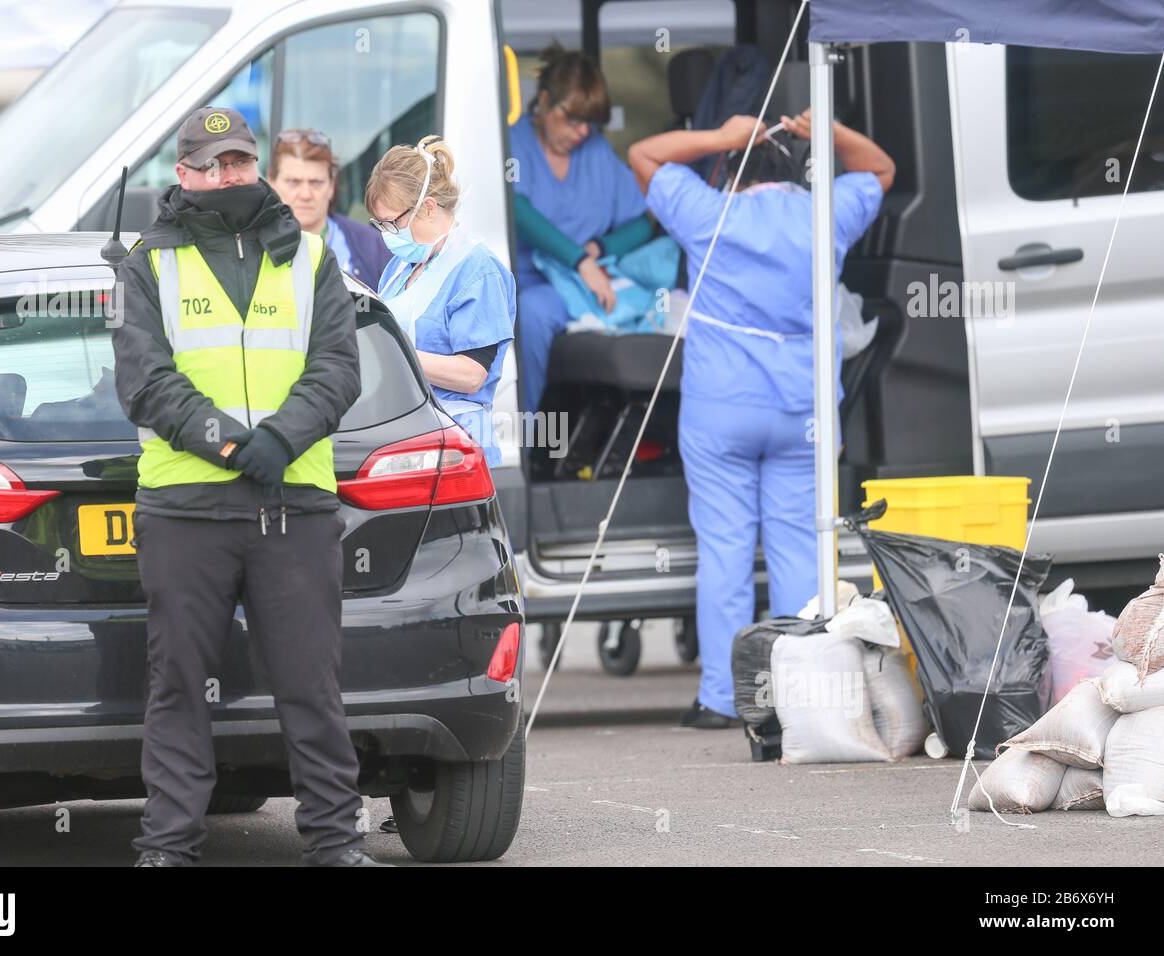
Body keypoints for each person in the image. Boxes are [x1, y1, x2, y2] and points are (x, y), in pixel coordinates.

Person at [113, 106, 386, 866]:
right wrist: (235, 443)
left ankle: (336, 843)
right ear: (183, 174)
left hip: (291, 507)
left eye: (237, 162)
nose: (225, 175)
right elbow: (144, 383)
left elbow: (338, 365)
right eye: (210, 164)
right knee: (176, 691)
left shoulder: (311, 255)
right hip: (186, 514)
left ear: (253, 165)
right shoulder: (147, 262)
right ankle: (168, 847)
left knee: (312, 688)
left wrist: (281, 440)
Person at [628, 110, 895, 729]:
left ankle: (723, 699)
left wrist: (722, 135)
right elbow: (880, 168)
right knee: (800, 548)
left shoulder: (708, 213)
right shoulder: (825, 213)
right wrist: (823, 128)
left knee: (724, 549)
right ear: (796, 174)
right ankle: (798, 692)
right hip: (803, 412)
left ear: (729, 173)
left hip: (721, 410)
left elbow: (644, 154)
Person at [509, 42, 655, 414]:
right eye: (573, 119)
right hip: (535, 284)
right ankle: (523, 445)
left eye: (590, 122)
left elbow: (644, 223)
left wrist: (600, 250)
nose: (582, 131)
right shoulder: (514, 141)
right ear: (543, 102)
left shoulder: (597, 152)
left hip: (592, 288)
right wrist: (579, 261)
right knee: (532, 314)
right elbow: (518, 211)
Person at [366, 135, 516, 468]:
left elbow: (471, 374)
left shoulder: (478, 270)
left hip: (458, 447)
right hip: (406, 438)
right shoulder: (399, 268)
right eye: (380, 225)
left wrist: (391, 353)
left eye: (393, 223)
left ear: (429, 207)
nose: (387, 234)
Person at [268, 128, 392, 286]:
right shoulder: (251, 247)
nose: (305, 194)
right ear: (272, 183)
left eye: (316, 182)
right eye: (294, 182)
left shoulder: (374, 248)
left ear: (331, 186)